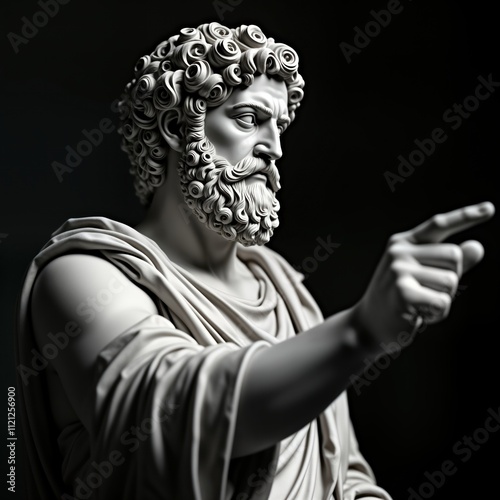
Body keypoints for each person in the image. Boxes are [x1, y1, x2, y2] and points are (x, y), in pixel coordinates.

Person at [15, 22, 494, 500]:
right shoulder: (85, 274)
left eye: (279, 126)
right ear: (177, 128)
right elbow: (176, 412)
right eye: (248, 119)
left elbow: (342, 475)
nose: (275, 149)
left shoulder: (288, 293)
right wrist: (360, 332)